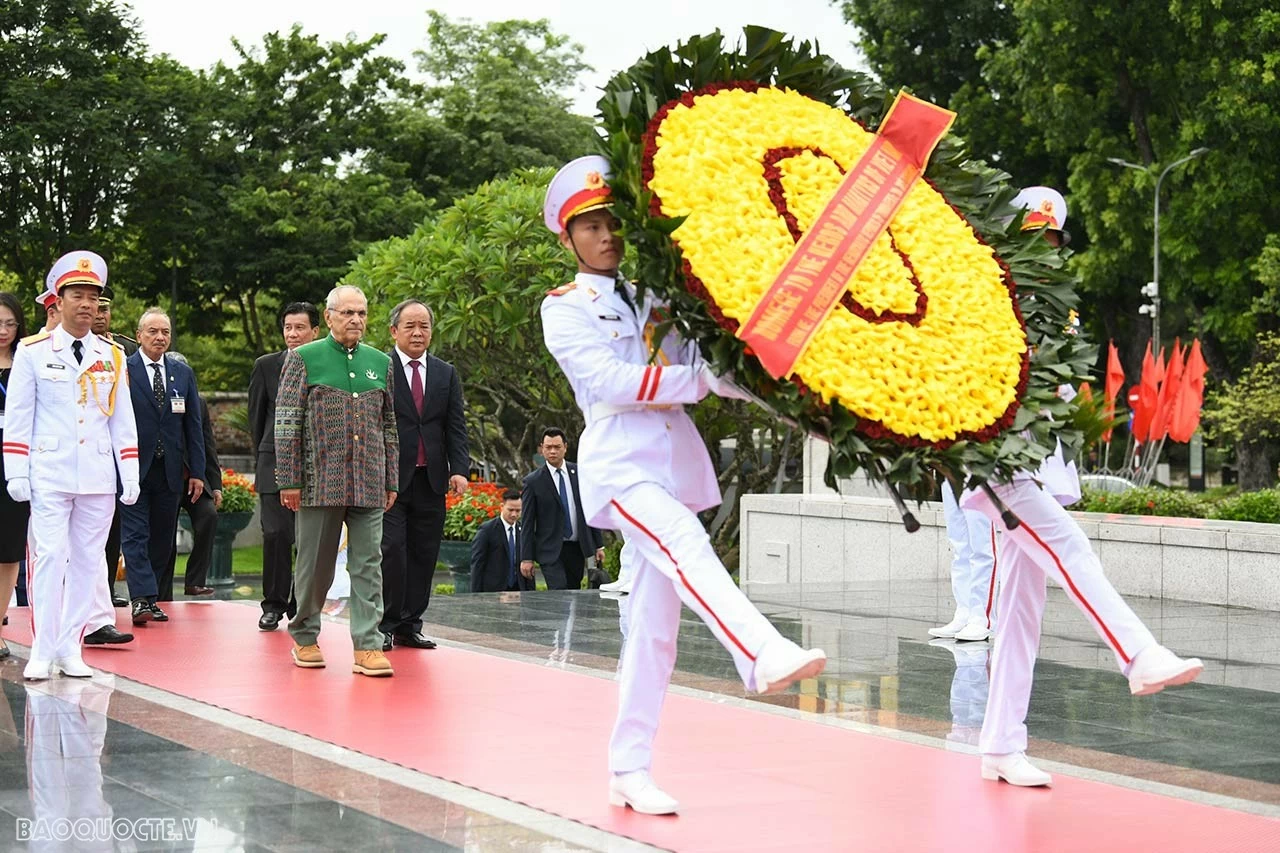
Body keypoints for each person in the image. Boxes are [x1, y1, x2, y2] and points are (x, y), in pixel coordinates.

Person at [540, 156, 826, 815]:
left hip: (671, 463)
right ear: (567, 238)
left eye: (613, 222)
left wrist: (801, 407)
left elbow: (713, 369)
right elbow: (611, 382)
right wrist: (696, 382)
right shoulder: (564, 308)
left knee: (652, 629)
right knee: (683, 540)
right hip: (620, 462)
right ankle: (760, 652)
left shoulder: (655, 297)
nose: (605, 234)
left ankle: (628, 768)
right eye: (589, 226)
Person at [967, 187, 1202, 787]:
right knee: (1070, 547)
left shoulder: (1054, 308)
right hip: (999, 463)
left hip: (1038, 462)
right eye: (1030, 234)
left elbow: (1063, 389)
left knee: (1020, 614)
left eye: (1049, 238)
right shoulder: (984, 290)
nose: (1040, 247)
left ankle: (999, 743)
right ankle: (1139, 655)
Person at [2, 250, 140, 680]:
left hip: (97, 475)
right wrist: (16, 471)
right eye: (76, 295)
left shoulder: (112, 355)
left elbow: (122, 418)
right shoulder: (33, 351)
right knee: (48, 558)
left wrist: (129, 473)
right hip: (49, 472)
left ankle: (70, 646)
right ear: (57, 301)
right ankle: (43, 647)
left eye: (93, 297)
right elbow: (20, 416)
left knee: (88, 561)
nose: (86, 304)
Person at [275, 284, 398, 677]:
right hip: (318, 481)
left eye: (361, 313)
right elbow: (286, 423)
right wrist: (289, 479)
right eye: (347, 313)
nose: (356, 321)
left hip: (369, 480)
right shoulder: (304, 359)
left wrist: (390, 479)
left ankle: (367, 644)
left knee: (368, 565)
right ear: (328, 318)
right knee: (315, 567)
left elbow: (390, 426)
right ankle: (305, 635)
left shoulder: (380, 362)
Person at [378, 298, 469, 652]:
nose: (418, 332)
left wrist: (459, 469)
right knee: (392, 551)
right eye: (410, 326)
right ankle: (385, 623)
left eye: (424, 326)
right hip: (391, 481)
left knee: (424, 553)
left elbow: (455, 426)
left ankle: (410, 625)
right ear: (394, 331)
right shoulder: (381, 369)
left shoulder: (445, 372)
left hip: (431, 478)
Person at [120, 308, 205, 623]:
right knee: (135, 534)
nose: (159, 337)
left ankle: (151, 596)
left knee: (162, 537)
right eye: (153, 331)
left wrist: (197, 471)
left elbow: (193, 427)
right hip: (133, 468)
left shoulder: (182, 373)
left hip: (169, 470)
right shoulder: (123, 370)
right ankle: (141, 598)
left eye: (165, 332)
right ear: (139, 334)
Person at [249, 302, 319, 630]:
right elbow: (256, 418)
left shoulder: (324, 366)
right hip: (273, 466)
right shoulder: (266, 366)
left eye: (299, 328)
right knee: (276, 534)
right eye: (288, 327)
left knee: (308, 539)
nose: (292, 334)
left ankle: (300, 603)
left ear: (315, 332)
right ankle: (273, 604)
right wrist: (264, 458)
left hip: (315, 471)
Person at [161, 355, 219, 599]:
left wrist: (215, 485)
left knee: (208, 517)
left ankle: (195, 581)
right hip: (164, 477)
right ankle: (162, 593)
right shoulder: (156, 399)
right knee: (164, 535)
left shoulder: (199, 402)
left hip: (193, 478)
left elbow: (207, 443)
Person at [520, 427, 604, 590]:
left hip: (576, 548)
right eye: (548, 447)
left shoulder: (580, 474)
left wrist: (598, 545)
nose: (552, 451)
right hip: (550, 550)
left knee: (574, 590)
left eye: (557, 447)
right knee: (559, 592)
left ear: (565, 447)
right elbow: (528, 523)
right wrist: (526, 558)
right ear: (542, 449)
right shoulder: (533, 482)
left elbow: (590, 509)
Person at [0, 291, 29, 660]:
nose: (4, 330)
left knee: (9, 552)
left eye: (10, 324)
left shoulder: (27, 361)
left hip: (15, 462)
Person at [929, 482, 996, 642]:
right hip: (950, 467)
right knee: (959, 547)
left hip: (979, 467)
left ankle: (983, 619)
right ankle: (964, 613)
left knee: (982, 546)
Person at [470, 489, 532, 593]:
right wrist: (476, 594)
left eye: (518, 511)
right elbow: (477, 563)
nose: (514, 514)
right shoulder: (487, 530)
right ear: (502, 507)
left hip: (519, 589)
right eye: (510, 510)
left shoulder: (523, 531)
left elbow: (529, 562)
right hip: (494, 590)